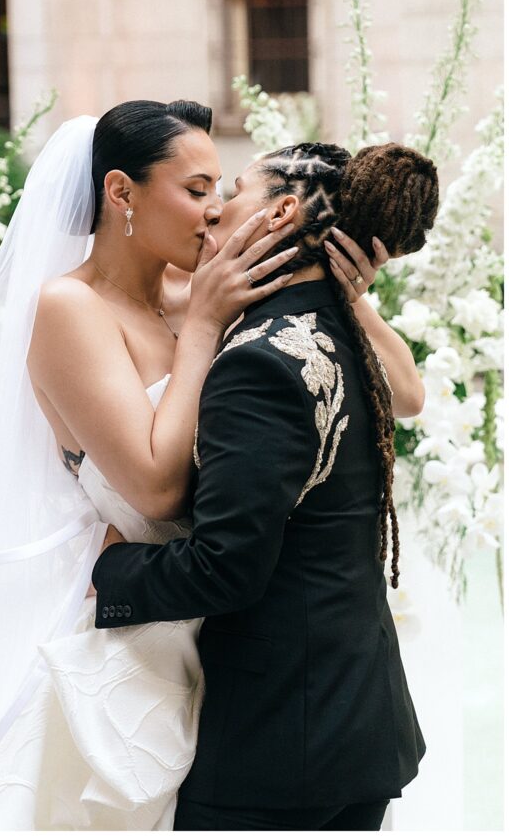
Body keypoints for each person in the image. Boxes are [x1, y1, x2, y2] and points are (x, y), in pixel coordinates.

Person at [0, 104, 423, 830]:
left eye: (222, 187)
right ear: (122, 194)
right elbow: (156, 490)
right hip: (135, 632)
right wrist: (206, 327)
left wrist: (348, 295)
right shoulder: (72, 307)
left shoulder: (204, 288)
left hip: (228, 626)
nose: (214, 209)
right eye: (196, 189)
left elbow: (405, 396)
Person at [92, 141, 439, 832]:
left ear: (280, 212)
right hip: (353, 722)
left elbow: (226, 568)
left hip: (278, 745)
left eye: (233, 191)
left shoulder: (258, 362)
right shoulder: (343, 331)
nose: (215, 210)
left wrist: (110, 568)